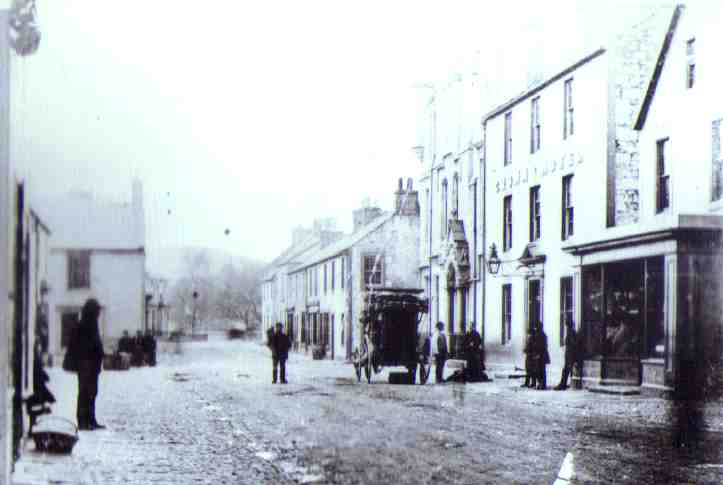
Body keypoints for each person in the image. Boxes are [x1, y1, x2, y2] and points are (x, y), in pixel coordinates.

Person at [71, 298, 106, 430]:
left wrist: (100, 353)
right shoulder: (83, 326)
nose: (98, 314)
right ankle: (83, 421)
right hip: (85, 365)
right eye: (97, 311)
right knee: (85, 392)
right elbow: (82, 346)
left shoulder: (93, 325)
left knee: (92, 392)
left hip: (94, 365)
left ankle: (91, 419)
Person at [554, 323, 577, 391]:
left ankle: (563, 384)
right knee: (566, 370)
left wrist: (569, 350)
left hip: (570, 354)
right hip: (569, 354)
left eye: (567, 326)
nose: (566, 327)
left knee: (566, 369)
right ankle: (563, 384)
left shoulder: (571, 333)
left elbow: (573, 344)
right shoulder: (571, 332)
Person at [534, 322, 550, 390]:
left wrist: (538, 354)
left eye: (537, 327)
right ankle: (542, 384)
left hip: (541, 355)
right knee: (541, 370)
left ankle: (542, 384)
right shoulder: (542, 335)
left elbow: (541, 346)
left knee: (540, 370)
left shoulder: (540, 335)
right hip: (541, 354)